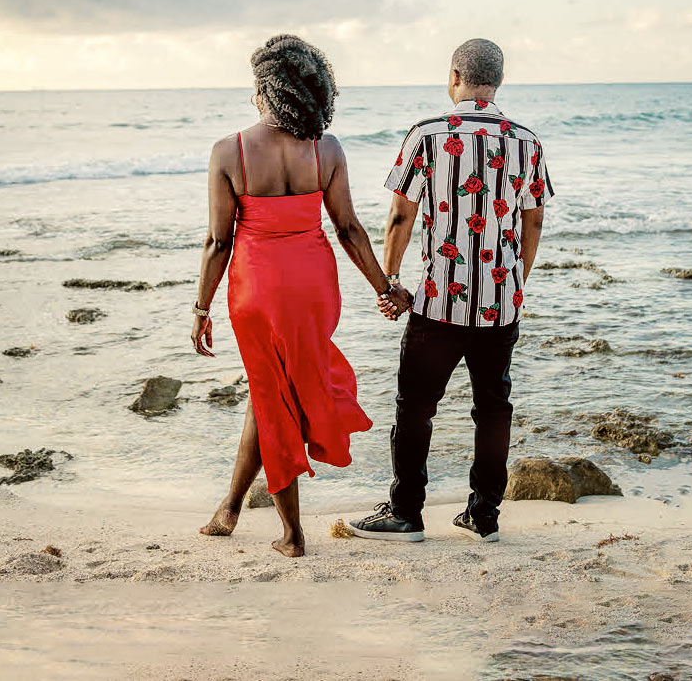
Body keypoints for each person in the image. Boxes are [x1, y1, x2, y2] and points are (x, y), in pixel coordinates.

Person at [191, 34, 412, 558]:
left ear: (266, 90)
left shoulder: (229, 151)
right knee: (271, 390)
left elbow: (218, 241)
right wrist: (387, 288)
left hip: (257, 287)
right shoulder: (327, 148)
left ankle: (291, 535)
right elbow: (350, 229)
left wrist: (201, 308)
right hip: (313, 286)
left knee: (272, 396)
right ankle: (231, 506)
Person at [350, 38, 552, 543]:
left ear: (455, 75)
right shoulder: (526, 140)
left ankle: (407, 513)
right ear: (498, 81)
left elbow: (401, 213)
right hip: (500, 304)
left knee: (415, 407)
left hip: (439, 301)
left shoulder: (428, 133)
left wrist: (391, 282)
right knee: (492, 408)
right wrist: (515, 281)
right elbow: (534, 221)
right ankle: (484, 515)